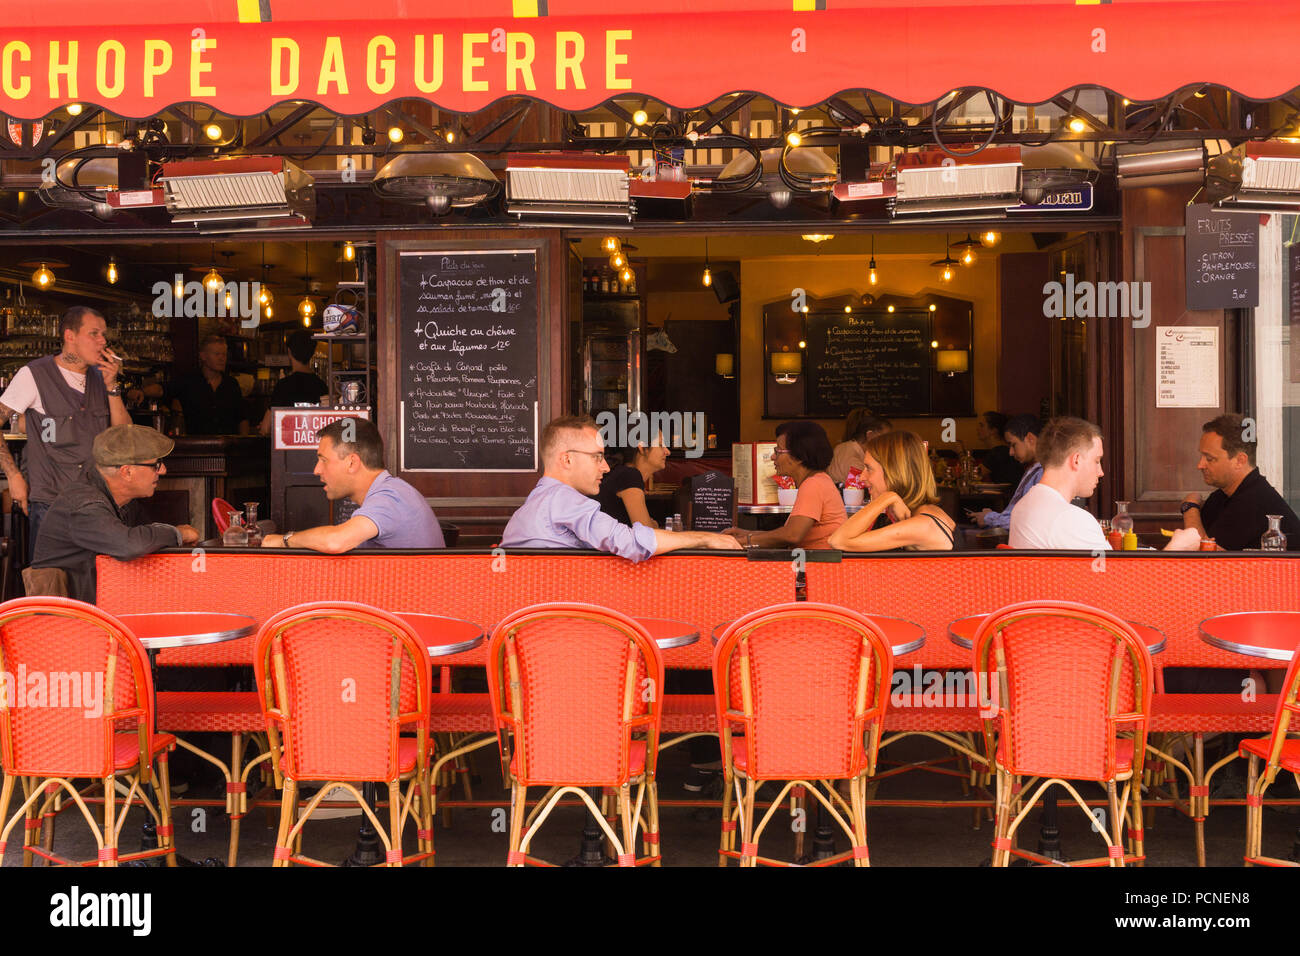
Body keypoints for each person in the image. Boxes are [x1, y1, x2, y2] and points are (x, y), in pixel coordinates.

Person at [501, 415, 741, 559]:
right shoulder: (563, 500)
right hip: (564, 627)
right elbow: (630, 541)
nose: (605, 467)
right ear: (567, 459)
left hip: (529, 625)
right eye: (597, 457)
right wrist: (705, 539)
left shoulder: (537, 500)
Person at [0, 305, 133, 556]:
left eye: (104, 335)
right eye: (94, 334)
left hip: (98, 503)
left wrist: (112, 387)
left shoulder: (101, 377)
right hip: (52, 504)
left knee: (98, 585)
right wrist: (14, 476)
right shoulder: (34, 374)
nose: (103, 341)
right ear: (70, 336)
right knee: (52, 583)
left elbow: (124, 438)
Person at [31, 424, 199, 603]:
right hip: (66, 621)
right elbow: (131, 545)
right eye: (156, 465)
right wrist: (178, 533)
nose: (163, 470)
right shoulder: (84, 506)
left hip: (98, 609)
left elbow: (148, 545)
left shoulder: (124, 501)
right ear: (127, 472)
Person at [1010, 416, 1201, 551]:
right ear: (1076, 460)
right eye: (1096, 460)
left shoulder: (1023, 506)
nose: (1101, 472)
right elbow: (1122, 592)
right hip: (1071, 607)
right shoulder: (1071, 519)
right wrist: (1177, 547)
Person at [262, 417, 444, 551]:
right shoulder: (392, 491)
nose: (317, 470)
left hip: (408, 603)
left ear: (352, 463)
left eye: (323, 460)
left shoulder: (391, 497)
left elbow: (335, 541)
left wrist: (283, 541)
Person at [1181, 413, 1300, 551]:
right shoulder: (1221, 496)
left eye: (1210, 458)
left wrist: (1189, 508)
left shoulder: (1255, 500)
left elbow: (1204, 555)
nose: (1200, 465)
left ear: (1240, 460)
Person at [725, 421, 846, 549]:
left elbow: (792, 535)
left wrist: (743, 541)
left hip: (818, 566)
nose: (772, 457)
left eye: (778, 451)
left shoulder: (813, 484)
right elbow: (787, 533)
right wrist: (746, 534)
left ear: (799, 456)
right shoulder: (818, 481)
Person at [828, 430, 956, 551]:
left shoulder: (923, 525)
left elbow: (838, 541)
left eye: (868, 468)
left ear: (894, 471)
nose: (862, 477)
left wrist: (887, 497)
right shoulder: (920, 512)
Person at [168, 335, 249, 435]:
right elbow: (163, 389)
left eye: (224, 354)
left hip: (228, 446)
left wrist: (243, 444)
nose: (221, 358)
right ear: (203, 356)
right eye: (217, 354)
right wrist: (143, 392)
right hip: (196, 446)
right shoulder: (189, 381)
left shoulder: (231, 384)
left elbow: (241, 418)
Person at [974, 414, 1044, 529]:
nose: (1011, 452)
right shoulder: (1033, 469)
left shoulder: (1042, 473)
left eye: (1013, 445)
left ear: (1030, 439)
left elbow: (1029, 521)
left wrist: (989, 518)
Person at [258, 330, 330, 436]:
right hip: (314, 447)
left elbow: (265, 429)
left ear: (289, 352)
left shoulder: (283, 386)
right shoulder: (321, 386)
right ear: (312, 353)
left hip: (288, 449)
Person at [597, 438, 670, 528]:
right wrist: (654, 525)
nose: (667, 452)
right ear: (642, 447)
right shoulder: (629, 475)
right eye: (661, 445)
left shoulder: (622, 473)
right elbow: (646, 534)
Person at [827, 410, 891, 485]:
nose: (888, 443)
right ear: (870, 435)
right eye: (884, 438)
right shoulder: (853, 459)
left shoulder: (843, 446)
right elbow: (864, 486)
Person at [975, 411, 1024, 486]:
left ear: (993, 430)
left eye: (981, 426)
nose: (977, 429)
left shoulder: (999, 452)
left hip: (1008, 496)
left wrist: (961, 453)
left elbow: (975, 475)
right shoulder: (1002, 449)